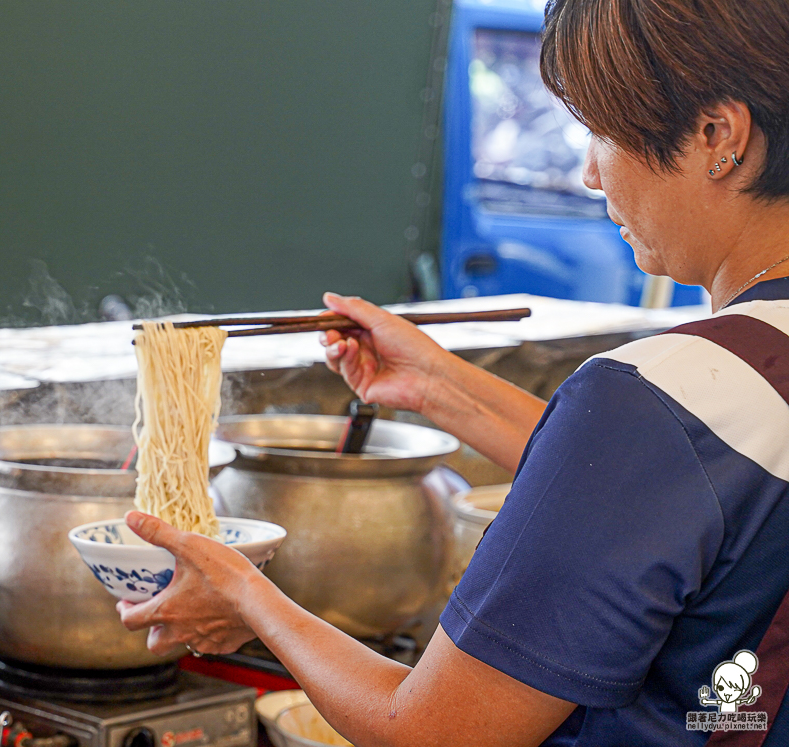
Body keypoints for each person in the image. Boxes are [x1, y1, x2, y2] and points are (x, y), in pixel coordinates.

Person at [118, 1, 789, 744]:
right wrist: (437, 383)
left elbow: (431, 730)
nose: (591, 174)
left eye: (603, 130)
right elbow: (690, 491)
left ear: (717, 136)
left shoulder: (651, 403)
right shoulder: (711, 401)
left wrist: (246, 596)